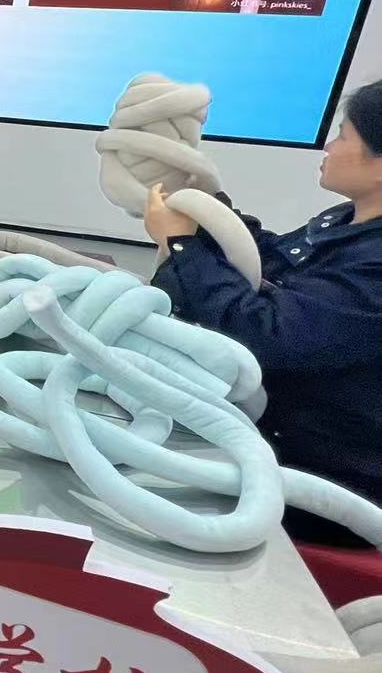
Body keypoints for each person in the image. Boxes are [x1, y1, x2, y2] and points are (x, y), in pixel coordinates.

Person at [148, 79, 382, 545]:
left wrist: (180, 245)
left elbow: (264, 333)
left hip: (311, 486)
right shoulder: (346, 223)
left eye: (343, 136)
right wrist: (209, 208)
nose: (330, 147)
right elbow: (271, 265)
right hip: (255, 445)